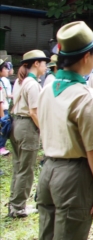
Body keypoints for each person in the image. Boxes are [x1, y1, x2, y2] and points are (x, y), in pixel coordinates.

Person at [32, 21, 93, 240]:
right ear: (85, 57)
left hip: (48, 170)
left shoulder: (48, 88)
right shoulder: (84, 96)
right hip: (73, 175)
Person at [8, 50, 49, 218]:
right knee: (26, 169)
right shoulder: (32, 84)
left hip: (16, 124)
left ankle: (14, 203)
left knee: (19, 167)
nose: (46, 66)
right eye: (44, 63)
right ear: (36, 64)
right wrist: (44, 130)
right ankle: (18, 207)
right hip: (27, 127)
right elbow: (34, 112)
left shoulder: (21, 81)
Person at [0, 60, 10, 156]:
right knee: (3, 129)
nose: (7, 70)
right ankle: (1, 147)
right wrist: (3, 119)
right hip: (2, 110)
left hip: (3, 108)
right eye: (5, 68)